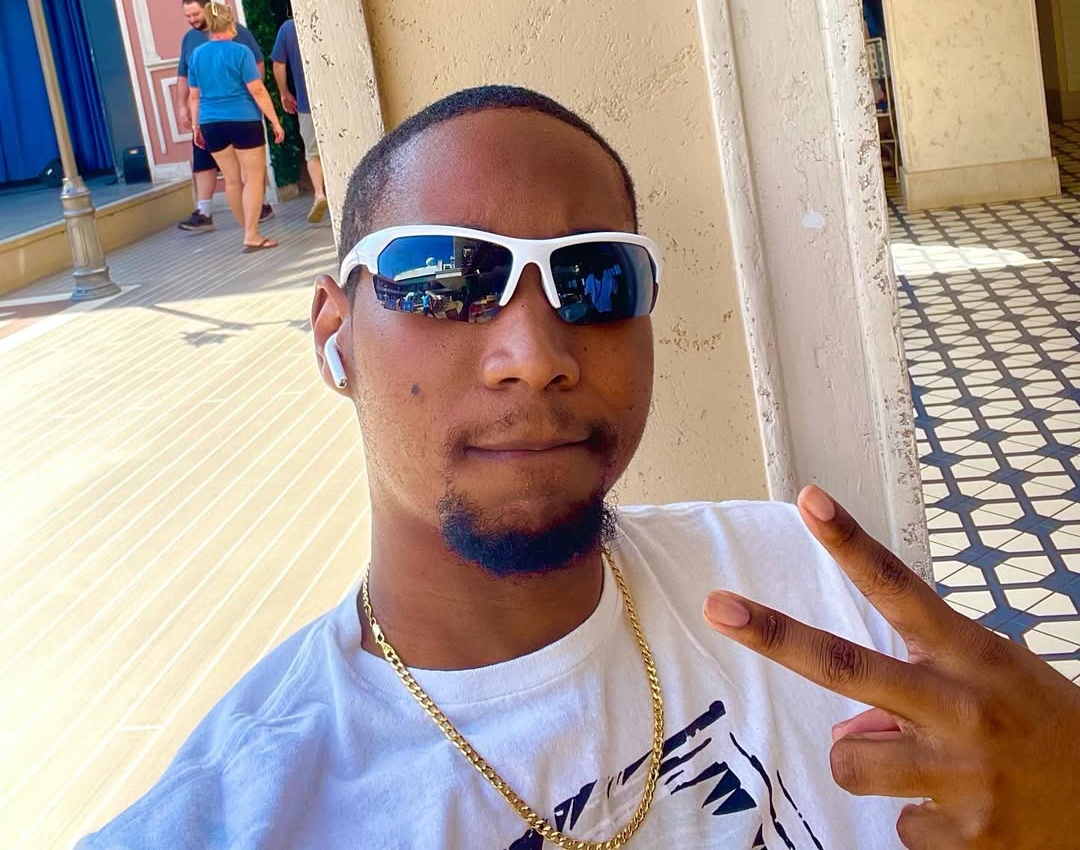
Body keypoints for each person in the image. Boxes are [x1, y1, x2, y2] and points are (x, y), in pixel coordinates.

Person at [82, 86, 1080, 848]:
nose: (536, 355)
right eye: (446, 276)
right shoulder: (252, 810)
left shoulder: (795, 579)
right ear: (334, 332)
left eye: (595, 279)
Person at [186, 1, 285, 253]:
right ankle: (252, 234)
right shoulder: (241, 52)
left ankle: (248, 231)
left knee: (231, 180)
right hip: (243, 119)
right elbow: (257, 89)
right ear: (230, 23)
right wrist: (274, 121)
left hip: (210, 122)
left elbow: (194, 96)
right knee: (253, 178)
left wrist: (196, 127)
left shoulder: (196, 55)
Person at [270, 15, 328, 223]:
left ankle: (319, 193)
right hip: (336, 99)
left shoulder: (288, 28)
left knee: (313, 153)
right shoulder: (327, 17)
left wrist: (284, 94)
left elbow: (278, 64)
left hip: (306, 103)